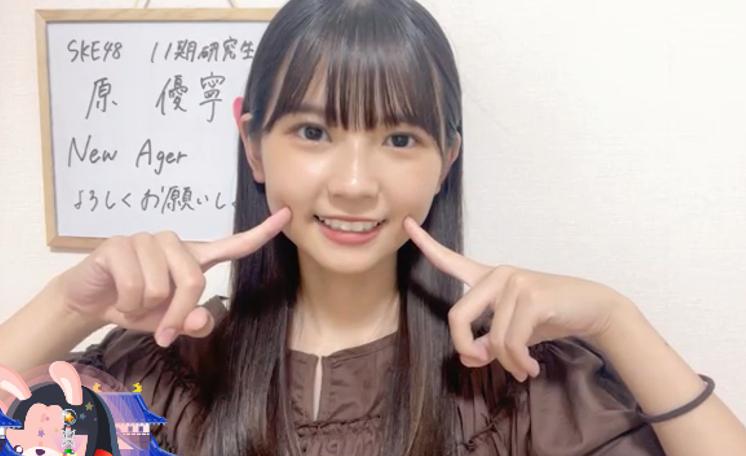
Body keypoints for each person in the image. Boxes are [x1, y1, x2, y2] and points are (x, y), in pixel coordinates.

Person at [1, 0, 745, 455]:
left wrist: (615, 319)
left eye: (398, 139)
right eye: (314, 132)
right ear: (253, 144)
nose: (355, 184)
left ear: (445, 159)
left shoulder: (517, 383)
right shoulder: (160, 373)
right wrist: (70, 305)